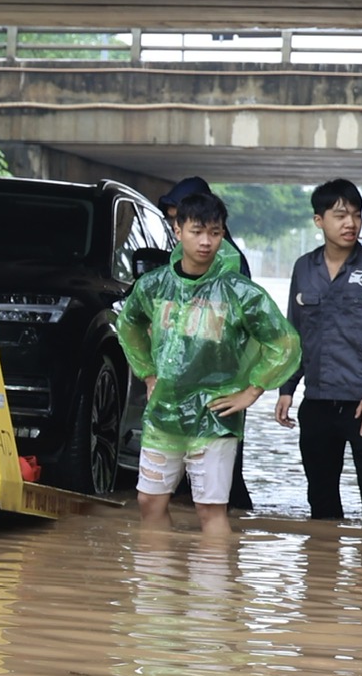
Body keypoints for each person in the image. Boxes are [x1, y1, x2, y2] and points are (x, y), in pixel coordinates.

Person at [117, 189, 301, 537]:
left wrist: (251, 391)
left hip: (215, 415)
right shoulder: (154, 286)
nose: (206, 241)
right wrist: (148, 372)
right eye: (197, 231)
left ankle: (213, 590)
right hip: (164, 411)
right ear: (178, 230)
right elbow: (129, 324)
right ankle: (155, 587)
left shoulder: (240, 292)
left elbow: (284, 342)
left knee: (210, 509)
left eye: (214, 233)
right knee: (149, 501)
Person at [274, 179, 362, 527]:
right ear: (319, 221)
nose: (351, 223)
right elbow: (295, 332)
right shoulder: (304, 268)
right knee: (320, 502)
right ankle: (321, 575)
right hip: (316, 402)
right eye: (340, 215)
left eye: (357, 215)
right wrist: (287, 388)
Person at [155, 175, 258, 513]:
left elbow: (255, 332)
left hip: (217, 383)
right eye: (175, 220)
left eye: (179, 217)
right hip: (187, 386)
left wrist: (250, 389)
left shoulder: (226, 262)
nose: (177, 225)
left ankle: (222, 549)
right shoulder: (178, 262)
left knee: (217, 486)